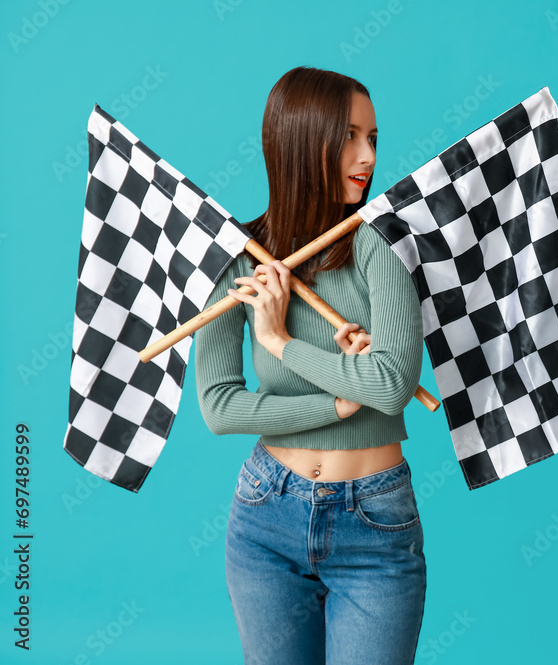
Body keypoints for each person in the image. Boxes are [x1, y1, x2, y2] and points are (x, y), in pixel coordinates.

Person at [194, 66, 426, 665]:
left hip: (374, 521)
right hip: (265, 516)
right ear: (301, 140)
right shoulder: (241, 257)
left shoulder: (380, 243)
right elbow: (219, 408)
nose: (367, 156)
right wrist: (337, 402)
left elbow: (392, 386)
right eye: (350, 136)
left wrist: (278, 342)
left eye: (373, 138)